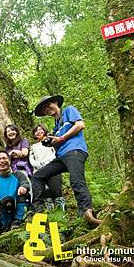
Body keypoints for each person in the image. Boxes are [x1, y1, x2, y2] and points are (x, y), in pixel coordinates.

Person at [32, 95, 101, 226]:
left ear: (56, 102)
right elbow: (58, 143)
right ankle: (39, 212)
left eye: (48, 105)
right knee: (38, 176)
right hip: (61, 157)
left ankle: (86, 213)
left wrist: (62, 138)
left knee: (76, 180)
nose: (47, 109)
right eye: (44, 109)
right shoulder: (56, 127)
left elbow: (80, 125)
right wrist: (52, 142)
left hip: (75, 151)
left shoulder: (69, 110)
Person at [0, 152, 31, 233]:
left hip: (16, 208)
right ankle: (5, 226)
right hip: (1, 211)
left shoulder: (18, 174)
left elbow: (25, 183)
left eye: (4, 158)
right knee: (7, 200)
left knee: (25, 194)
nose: (2, 161)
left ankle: (17, 221)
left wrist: (23, 187)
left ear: (9, 161)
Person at [29, 123, 65, 211]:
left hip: (52, 168)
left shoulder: (51, 141)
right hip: (39, 169)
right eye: (36, 131)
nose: (38, 132)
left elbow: (55, 153)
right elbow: (31, 158)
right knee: (44, 191)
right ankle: (49, 209)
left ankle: (60, 208)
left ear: (44, 130)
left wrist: (48, 162)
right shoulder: (33, 146)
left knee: (55, 188)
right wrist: (37, 164)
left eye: (40, 129)